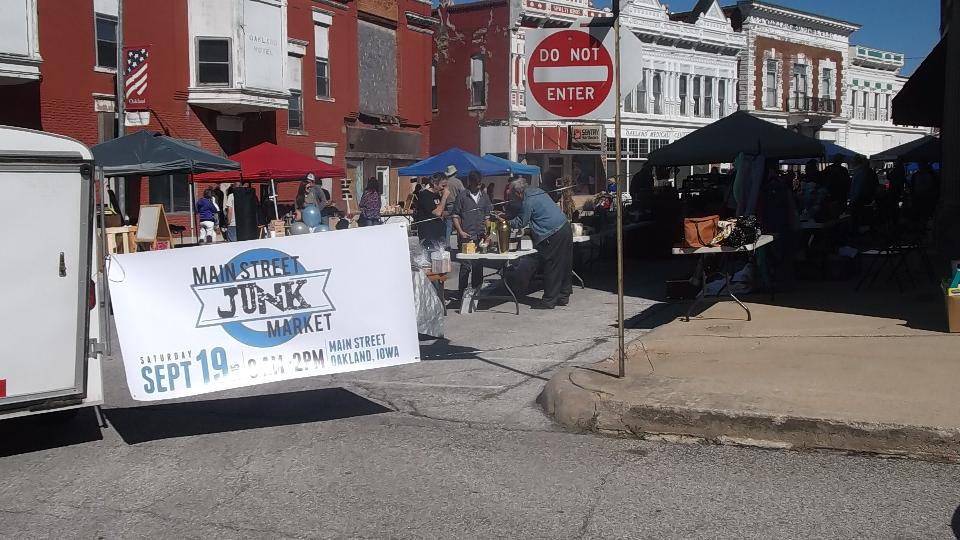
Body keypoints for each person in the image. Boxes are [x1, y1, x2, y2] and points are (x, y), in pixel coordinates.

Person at [508, 178, 572, 309]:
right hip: (564, 227)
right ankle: (563, 295)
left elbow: (521, 222)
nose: (512, 198)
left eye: (512, 195)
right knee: (564, 264)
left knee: (552, 266)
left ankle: (549, 300)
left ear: (518, 192)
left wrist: (505, 220)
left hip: (553, 232)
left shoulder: (527, 200)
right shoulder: (537, 191)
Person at [453, 171, 493, 298]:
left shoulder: (484, 197)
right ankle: (462, 294)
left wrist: (488, 233)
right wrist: (460, 231)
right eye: (476, 184)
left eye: (479, 184)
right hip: (467, 236)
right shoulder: (462, 196)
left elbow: (487, 217)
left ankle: (476, 293)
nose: (478, 186)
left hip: (480, 236)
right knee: (466, 266)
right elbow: (455, 216)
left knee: (478, 265)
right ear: (470, 182)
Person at [415, 172, 450, 247]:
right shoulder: (424, 195)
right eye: (443, 186)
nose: (445, 189)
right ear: (435, 184)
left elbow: (444, 212)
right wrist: (444, 196)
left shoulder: (438, 195)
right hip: (428, 235)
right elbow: (437, 213)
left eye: (446, 186)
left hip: (440, 233)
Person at [443, 165, 464, 242]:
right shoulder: (458, 182)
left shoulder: (445, 183)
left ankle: (447, 244)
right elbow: (463, 193)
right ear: (455, 173)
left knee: (448, 227)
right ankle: (460, 242)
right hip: (457, 206)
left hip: (447, 206)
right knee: (459, 225)